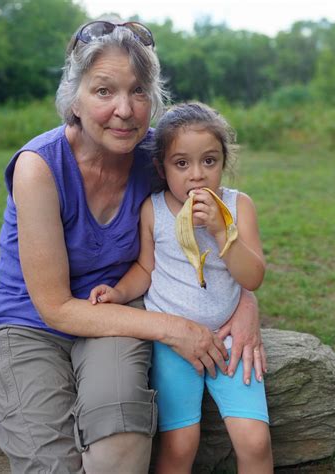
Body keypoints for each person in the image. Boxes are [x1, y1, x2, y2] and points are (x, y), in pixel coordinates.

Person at [0, 19, 267, 474]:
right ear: (74, 98)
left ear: (154, 100)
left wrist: (244, 303)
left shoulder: (158, 161)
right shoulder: (39, 168)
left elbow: (223, 236)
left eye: (139, 91)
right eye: (104, 91)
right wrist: (174, 328)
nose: (125, 110)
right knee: (51, 465)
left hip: (113, 314)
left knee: (120, 449)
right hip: (30, 322)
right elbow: (55, 307)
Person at [89, 102, 273, 473]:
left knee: (255, 440)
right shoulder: (153, 210)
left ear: (224, 161)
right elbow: (145, 269)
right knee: (179, 444)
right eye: (182, 164)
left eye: (210, 161)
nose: (197, 176)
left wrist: (223, 232)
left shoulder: (239, 207)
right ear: (162, 168)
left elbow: (252, 277)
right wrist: (119, 294)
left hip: (228, 341)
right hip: (172, 344)